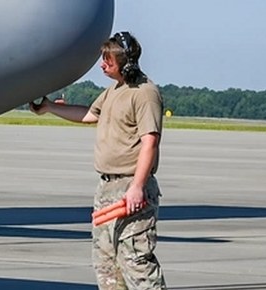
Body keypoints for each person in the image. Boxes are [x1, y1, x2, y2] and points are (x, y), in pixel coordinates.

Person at [30, 31, 167, 290]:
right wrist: (49, 108)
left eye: (108, 60)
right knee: (107, 265)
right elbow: (89, 115)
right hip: (107, 188)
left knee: (136, 261)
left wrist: (138, 186)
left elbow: (150, 141)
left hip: (131, 188)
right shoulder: (115, 90)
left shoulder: (144, 93)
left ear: (126, 62)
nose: (102, 64)